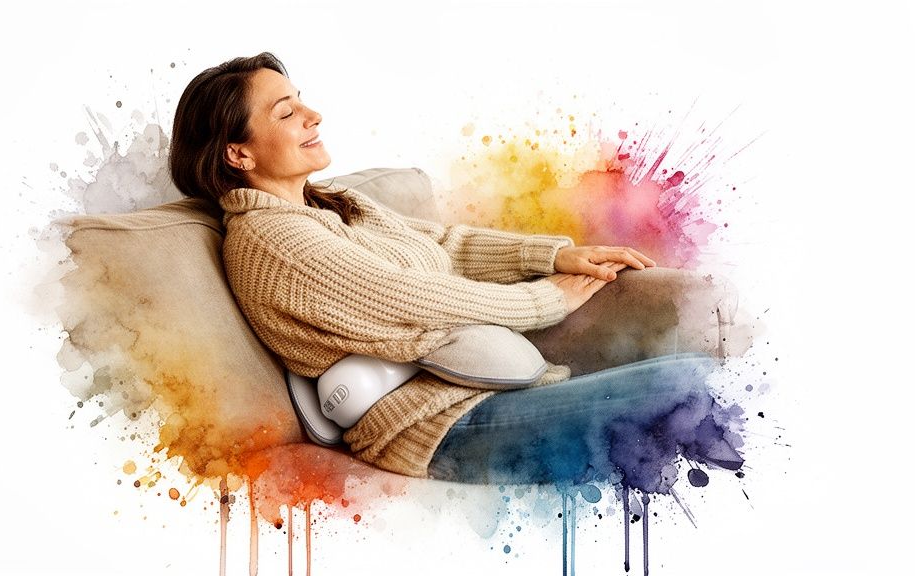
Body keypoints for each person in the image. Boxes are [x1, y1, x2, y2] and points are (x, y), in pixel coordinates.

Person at [168, 52, 742, 486]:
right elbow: (409, 297)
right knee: (690, 386)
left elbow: (443, 243)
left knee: (707, 372)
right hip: (436, 426)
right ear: (236, 153)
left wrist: (552, 254)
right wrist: (545, 301)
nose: (313, 115)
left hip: (485, 386)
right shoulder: (272, 243)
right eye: (287, 112)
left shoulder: (328, 204)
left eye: (302, 100)